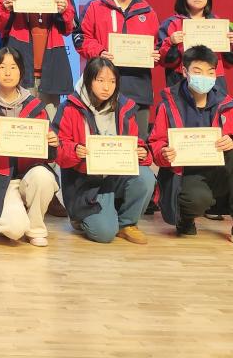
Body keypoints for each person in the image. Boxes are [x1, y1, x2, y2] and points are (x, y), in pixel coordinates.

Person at [148, 45, 233, 251]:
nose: (204, 77)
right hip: (185, 174)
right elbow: (156, 143)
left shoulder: (226, 103)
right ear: (185, 72)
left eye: (210, 72)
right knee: (195, 200)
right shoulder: (168, 104)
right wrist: (163, 153)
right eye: (198, 71)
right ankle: (185, 217)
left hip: (218, 171)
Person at [53, 56, 156, 245]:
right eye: (100, 80)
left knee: (146, 177)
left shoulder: (125, 108)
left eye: (112, 81)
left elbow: (138, 141)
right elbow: (57, 147)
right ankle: (83, 217)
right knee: (104, 234)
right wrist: (75, 151)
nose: (106, 87)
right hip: (84, 183)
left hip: (116, 176)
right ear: (88, 80)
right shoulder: (70, 107)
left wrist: (142, 152)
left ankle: (127, 224)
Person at [0, 47, 59, 246]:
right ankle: (11, 216)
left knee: (43, 177)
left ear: (21, 71)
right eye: (2, 67)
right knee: (14, 230)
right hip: (0, 179)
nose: (7, 73)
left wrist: (52, 144)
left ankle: (36, 228)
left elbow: (51, 156)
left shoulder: (36, 106)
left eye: (13, 67)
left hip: (29, 174)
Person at [78, 0, 159, 135]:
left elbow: (157, 44)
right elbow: (82, 37)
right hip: (103, 82)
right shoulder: (96, 6)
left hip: (138, 84)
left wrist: (155, 54)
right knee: (104, 140)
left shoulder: (147, 11)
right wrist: (100, 52)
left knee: (137, 140)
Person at [156, 0, 233, 95]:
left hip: (215, 82)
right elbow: (163, 61)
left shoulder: (219, 24)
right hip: (180, 81)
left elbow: (232, 63)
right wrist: (171, 43)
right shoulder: (171, 24)